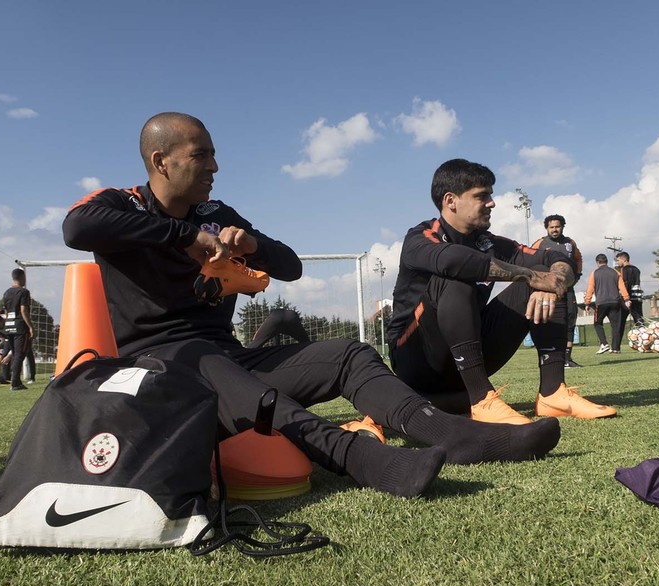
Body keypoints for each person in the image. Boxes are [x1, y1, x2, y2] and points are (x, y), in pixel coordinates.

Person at [62, 112, 562, 499]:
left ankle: (452, 435)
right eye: (201, 155)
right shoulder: (121, 204)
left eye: (214, 154)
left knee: (349, 353)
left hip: (227, 358)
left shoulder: (214, 212)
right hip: (164, 367)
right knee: (213, 364)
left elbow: (290, 265)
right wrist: (184, 236)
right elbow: (77, 228)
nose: (214, 166)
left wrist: (252, 246)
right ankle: (361, 458)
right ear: (161, 161)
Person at [387, 159, 617, 424]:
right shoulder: (420, 238)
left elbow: (554, 256)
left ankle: (553, 393)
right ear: (451, 201)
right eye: (481, 196)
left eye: (490, 195)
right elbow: (454, 261)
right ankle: (481, 400)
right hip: (417, 362)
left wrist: (553, 280)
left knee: (548, 275)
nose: (492, 203)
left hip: (463, 364)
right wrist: (532, 276)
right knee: (457, 276)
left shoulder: (486, 242)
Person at [531, 215, 584, 368]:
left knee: (570, 319)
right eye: (551, 227)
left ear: (562, 227)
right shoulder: (540, 243)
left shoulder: (570, 243)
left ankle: (567, 358)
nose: (554, 230)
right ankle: (548, 357)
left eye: (557, 227)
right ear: (547, 228)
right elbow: (530, 259)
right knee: (547, 321)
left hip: (567, 288)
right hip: (547, 290)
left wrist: (576, 276)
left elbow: (578, 259)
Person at [583, 253, 630, 354]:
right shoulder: (615, 272)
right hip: (615, 302)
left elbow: (590, 289)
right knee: (615, 326)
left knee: (597, 323)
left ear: (597, 262)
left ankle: (604, 343)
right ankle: (615, 348)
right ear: (606, 261)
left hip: (601, 303)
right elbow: (622, 287)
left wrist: (587, 303)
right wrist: (626, 299)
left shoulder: (594, 273)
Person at [1, 268, 35, 390]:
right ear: (22, 277)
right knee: (20, 354)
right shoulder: (24, 292)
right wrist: (31, 327)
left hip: (9, 326)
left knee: (15, 354)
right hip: (20, 327)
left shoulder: (6, 293)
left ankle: (15, 380)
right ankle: (15, 382)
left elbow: (5, 311)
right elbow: (23, 310)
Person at [614, 251, 645, 327]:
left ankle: (618, 334)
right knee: (639, 320)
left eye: (618, 260)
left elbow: (625, 284)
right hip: (637, 297)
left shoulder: (624, 270)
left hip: (628, 298)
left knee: (620, 321)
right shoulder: (637, 269)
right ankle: (642, 333)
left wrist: (625, 298)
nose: (617, 262)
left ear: (624, 260)